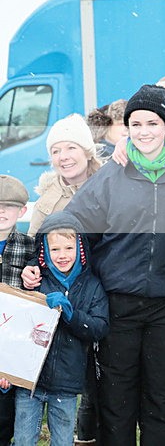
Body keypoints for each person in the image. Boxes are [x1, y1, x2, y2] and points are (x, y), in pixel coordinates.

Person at [24, 85, 165, 445]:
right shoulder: (112, 174)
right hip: (119, 301)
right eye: (136, 124)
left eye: (152, 122)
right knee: (117, 396)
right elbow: (68, 223)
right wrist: (35, 262)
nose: (144, 131)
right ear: (127, 127)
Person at [3, 211, 108, 446]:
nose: (62, 255)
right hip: (30, 382)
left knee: (62, 441)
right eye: (55, 249)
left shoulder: (92, 286)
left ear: (80, 248)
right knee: (23, 440)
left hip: (67, 385)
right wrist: (8, 369)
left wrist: (71, 315)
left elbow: (100, 327)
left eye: (69, 248)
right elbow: (13, 328)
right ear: (44, 252)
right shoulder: (34, 282)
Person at [0, 175, 35, 446]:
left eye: (9, 206)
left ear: (22, 211)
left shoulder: (29, 246)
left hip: (11, 349)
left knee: (4, 418)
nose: (1, 211)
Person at [28, 114, 104, 236]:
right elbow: (33, 247)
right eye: (56, 151)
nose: (63, 157)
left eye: (71, 148)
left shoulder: (107, 189)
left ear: (88, 153)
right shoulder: (46, 202)